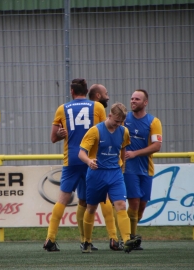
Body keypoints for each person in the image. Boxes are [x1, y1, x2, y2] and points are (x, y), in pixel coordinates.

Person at [43, 78, 106, 252]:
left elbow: (53, 138)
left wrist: (63, 134)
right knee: (87, 202)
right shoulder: (98, 107)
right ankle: (86, 241)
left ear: (71, 91)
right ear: (86, 92)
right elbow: (105, 132)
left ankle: (50, 238)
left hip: (71, 160)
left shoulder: (62, 108)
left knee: (62, 199)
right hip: (90, 160)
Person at [78, 102, 141, 253]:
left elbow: (123, 149)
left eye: (121, 122)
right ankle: (86, 241)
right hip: (96, 174)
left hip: (115, 174)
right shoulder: (95, 131)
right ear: (110, 115)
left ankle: (126, 240)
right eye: (116, 121)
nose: (118, 124)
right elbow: (81, 153)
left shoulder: (124, 131)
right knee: (91, 208)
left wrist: (122, 167)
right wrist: (88, 161)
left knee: (120, 205)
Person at [85, 83, 123, 251]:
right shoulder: (99, 108)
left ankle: (85, 241)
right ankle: (113, 238)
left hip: (75, 157)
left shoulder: (67, 108)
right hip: (97, 160)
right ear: (98, 96)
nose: (108, 96)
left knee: (85, 205)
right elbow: (107, 132)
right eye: (106, 93)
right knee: (104, 202)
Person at [123, 89, 162, 250]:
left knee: (141, 208)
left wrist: (135, 153)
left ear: (145, 102)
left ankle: (129, 234)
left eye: (137, 99)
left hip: (146, 169)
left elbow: (157, 146)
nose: (133, 101)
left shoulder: (153, 122)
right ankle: (129, 238)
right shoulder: (124, 119)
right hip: (128, 169)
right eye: (132, 98)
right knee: (133, 203)